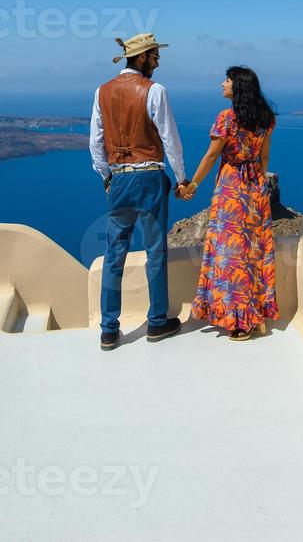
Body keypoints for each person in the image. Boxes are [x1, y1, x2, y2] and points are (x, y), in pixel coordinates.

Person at [89, 32, 189, 351]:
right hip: (149, 178)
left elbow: (95, 142)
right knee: (155, 251)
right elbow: (170, 139)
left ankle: (108, 328)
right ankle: (157, 322)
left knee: (114, 252)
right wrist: (182, 178)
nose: (158, 62)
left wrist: (107, 176)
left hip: (118, 179)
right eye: (155, 56)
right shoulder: (154, 91)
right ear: (142, 56)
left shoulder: (101, 92)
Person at [179, 65, 278, 341]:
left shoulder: (227, 118)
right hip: (255, 187)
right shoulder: (266, 118)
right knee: (252, 252)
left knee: (230, 255)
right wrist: (259, 181)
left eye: (226, 80)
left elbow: (212, 156)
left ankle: (236, 321)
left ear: (238, 87)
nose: (221, 84)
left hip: (232, 189)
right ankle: (252, 313)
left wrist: (193, 185)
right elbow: (265, 158)